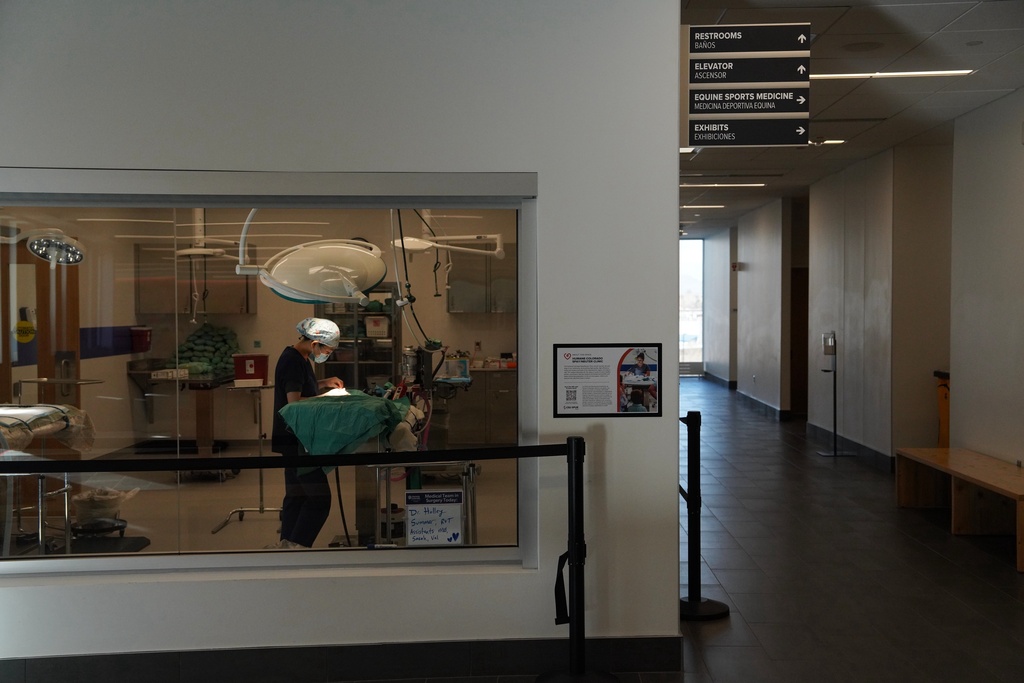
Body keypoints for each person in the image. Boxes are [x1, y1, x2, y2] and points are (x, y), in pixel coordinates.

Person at [269, 317, 345, 549]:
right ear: (314, 344)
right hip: (297, 440)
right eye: (327, 350)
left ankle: (288, 548)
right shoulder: (293, 361)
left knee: (296, 496)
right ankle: (298, 547)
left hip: (291, 438)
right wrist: (327, 399)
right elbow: (294, 402)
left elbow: (300, 386)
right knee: (319, 499)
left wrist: (323, 383)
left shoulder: (298, 357)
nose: (327, 355)